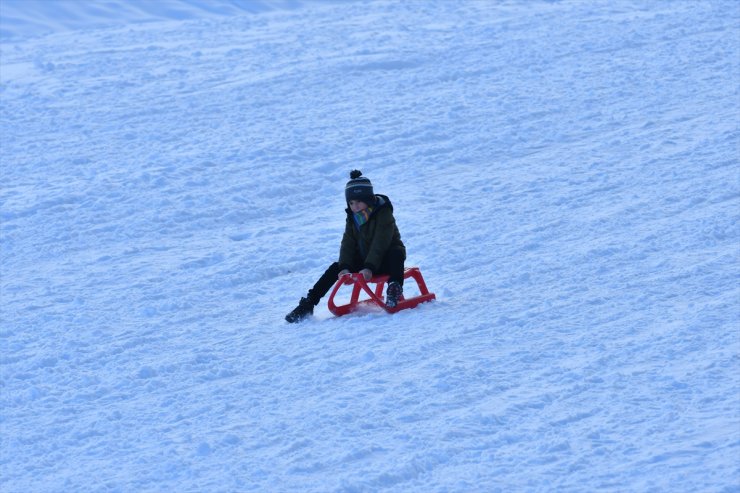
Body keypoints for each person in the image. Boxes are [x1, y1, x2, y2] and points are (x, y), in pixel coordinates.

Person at [285, 170, 406, 323]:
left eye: (358, 202)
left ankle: (394, 289)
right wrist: (345, 267)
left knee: (396, 253)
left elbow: (380, 243)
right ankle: (309, 302)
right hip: (366, 261)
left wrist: (369, 267)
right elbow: (347, 243)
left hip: (385, 260)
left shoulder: (383, 213)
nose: (354, 207)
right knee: (335, 267)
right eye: (351, 203)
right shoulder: (353, 218)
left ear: (368, 199)